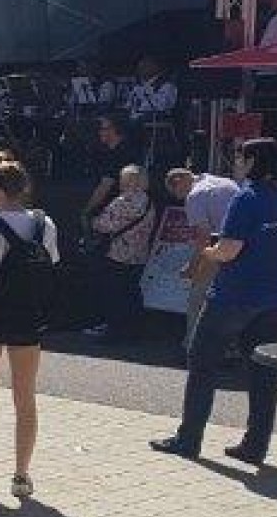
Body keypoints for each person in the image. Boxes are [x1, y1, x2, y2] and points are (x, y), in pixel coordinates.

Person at [153, 138, 277, 464]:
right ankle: (255, 446)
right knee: (263, 372)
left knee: (202, 363)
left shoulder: (246, 197)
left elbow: (229, 250)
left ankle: (188, 439)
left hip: (235, 295)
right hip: (276, 296)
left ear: (253, 161)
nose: (237, 163)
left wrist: (208, 252)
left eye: (241, 157)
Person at [0, 150, 59, 499]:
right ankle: (21, 474)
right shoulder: (45, 225)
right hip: (29, 318)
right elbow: (50, 267)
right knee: (25, 397)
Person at [164, 166, 243, 346]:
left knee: (197, 298)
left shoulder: (195, 196)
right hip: (246, 247)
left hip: (221, 245)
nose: (179, 198)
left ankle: (192, 344)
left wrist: (192, 267)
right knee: (234, 300)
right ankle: (232, 346)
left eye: (176, 193)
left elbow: (203, 238)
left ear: (179, 182)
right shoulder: (225, 182)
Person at [85, 164, 155, 342]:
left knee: (114, 293)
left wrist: (91, 220)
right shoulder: (148, 201)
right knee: (132, 292)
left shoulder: (123, 201)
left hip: (118, 252)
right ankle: (133, 329)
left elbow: (104, 225)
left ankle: (114, 330)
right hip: (139, 254)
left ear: (128, 181)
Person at [82, 114, 135, 218]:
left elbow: (105, 186)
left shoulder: (121, 153)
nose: (99, 132)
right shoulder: (108, 151)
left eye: (103, 129)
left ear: (115, 129)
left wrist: (87, 211)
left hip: (118, 209)